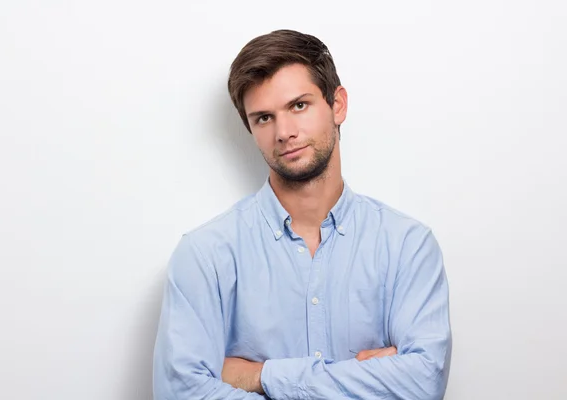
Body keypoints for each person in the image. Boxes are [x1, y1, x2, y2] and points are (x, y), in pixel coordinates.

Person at [153, 29, 452, 399]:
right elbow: (180, 393)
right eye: (263, 118)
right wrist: (369, 378)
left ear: (337, 104)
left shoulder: (408, 246)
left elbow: (423, 384)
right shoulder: (204, 255)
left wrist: (260, 376)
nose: (284, 132)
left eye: (299, 106)